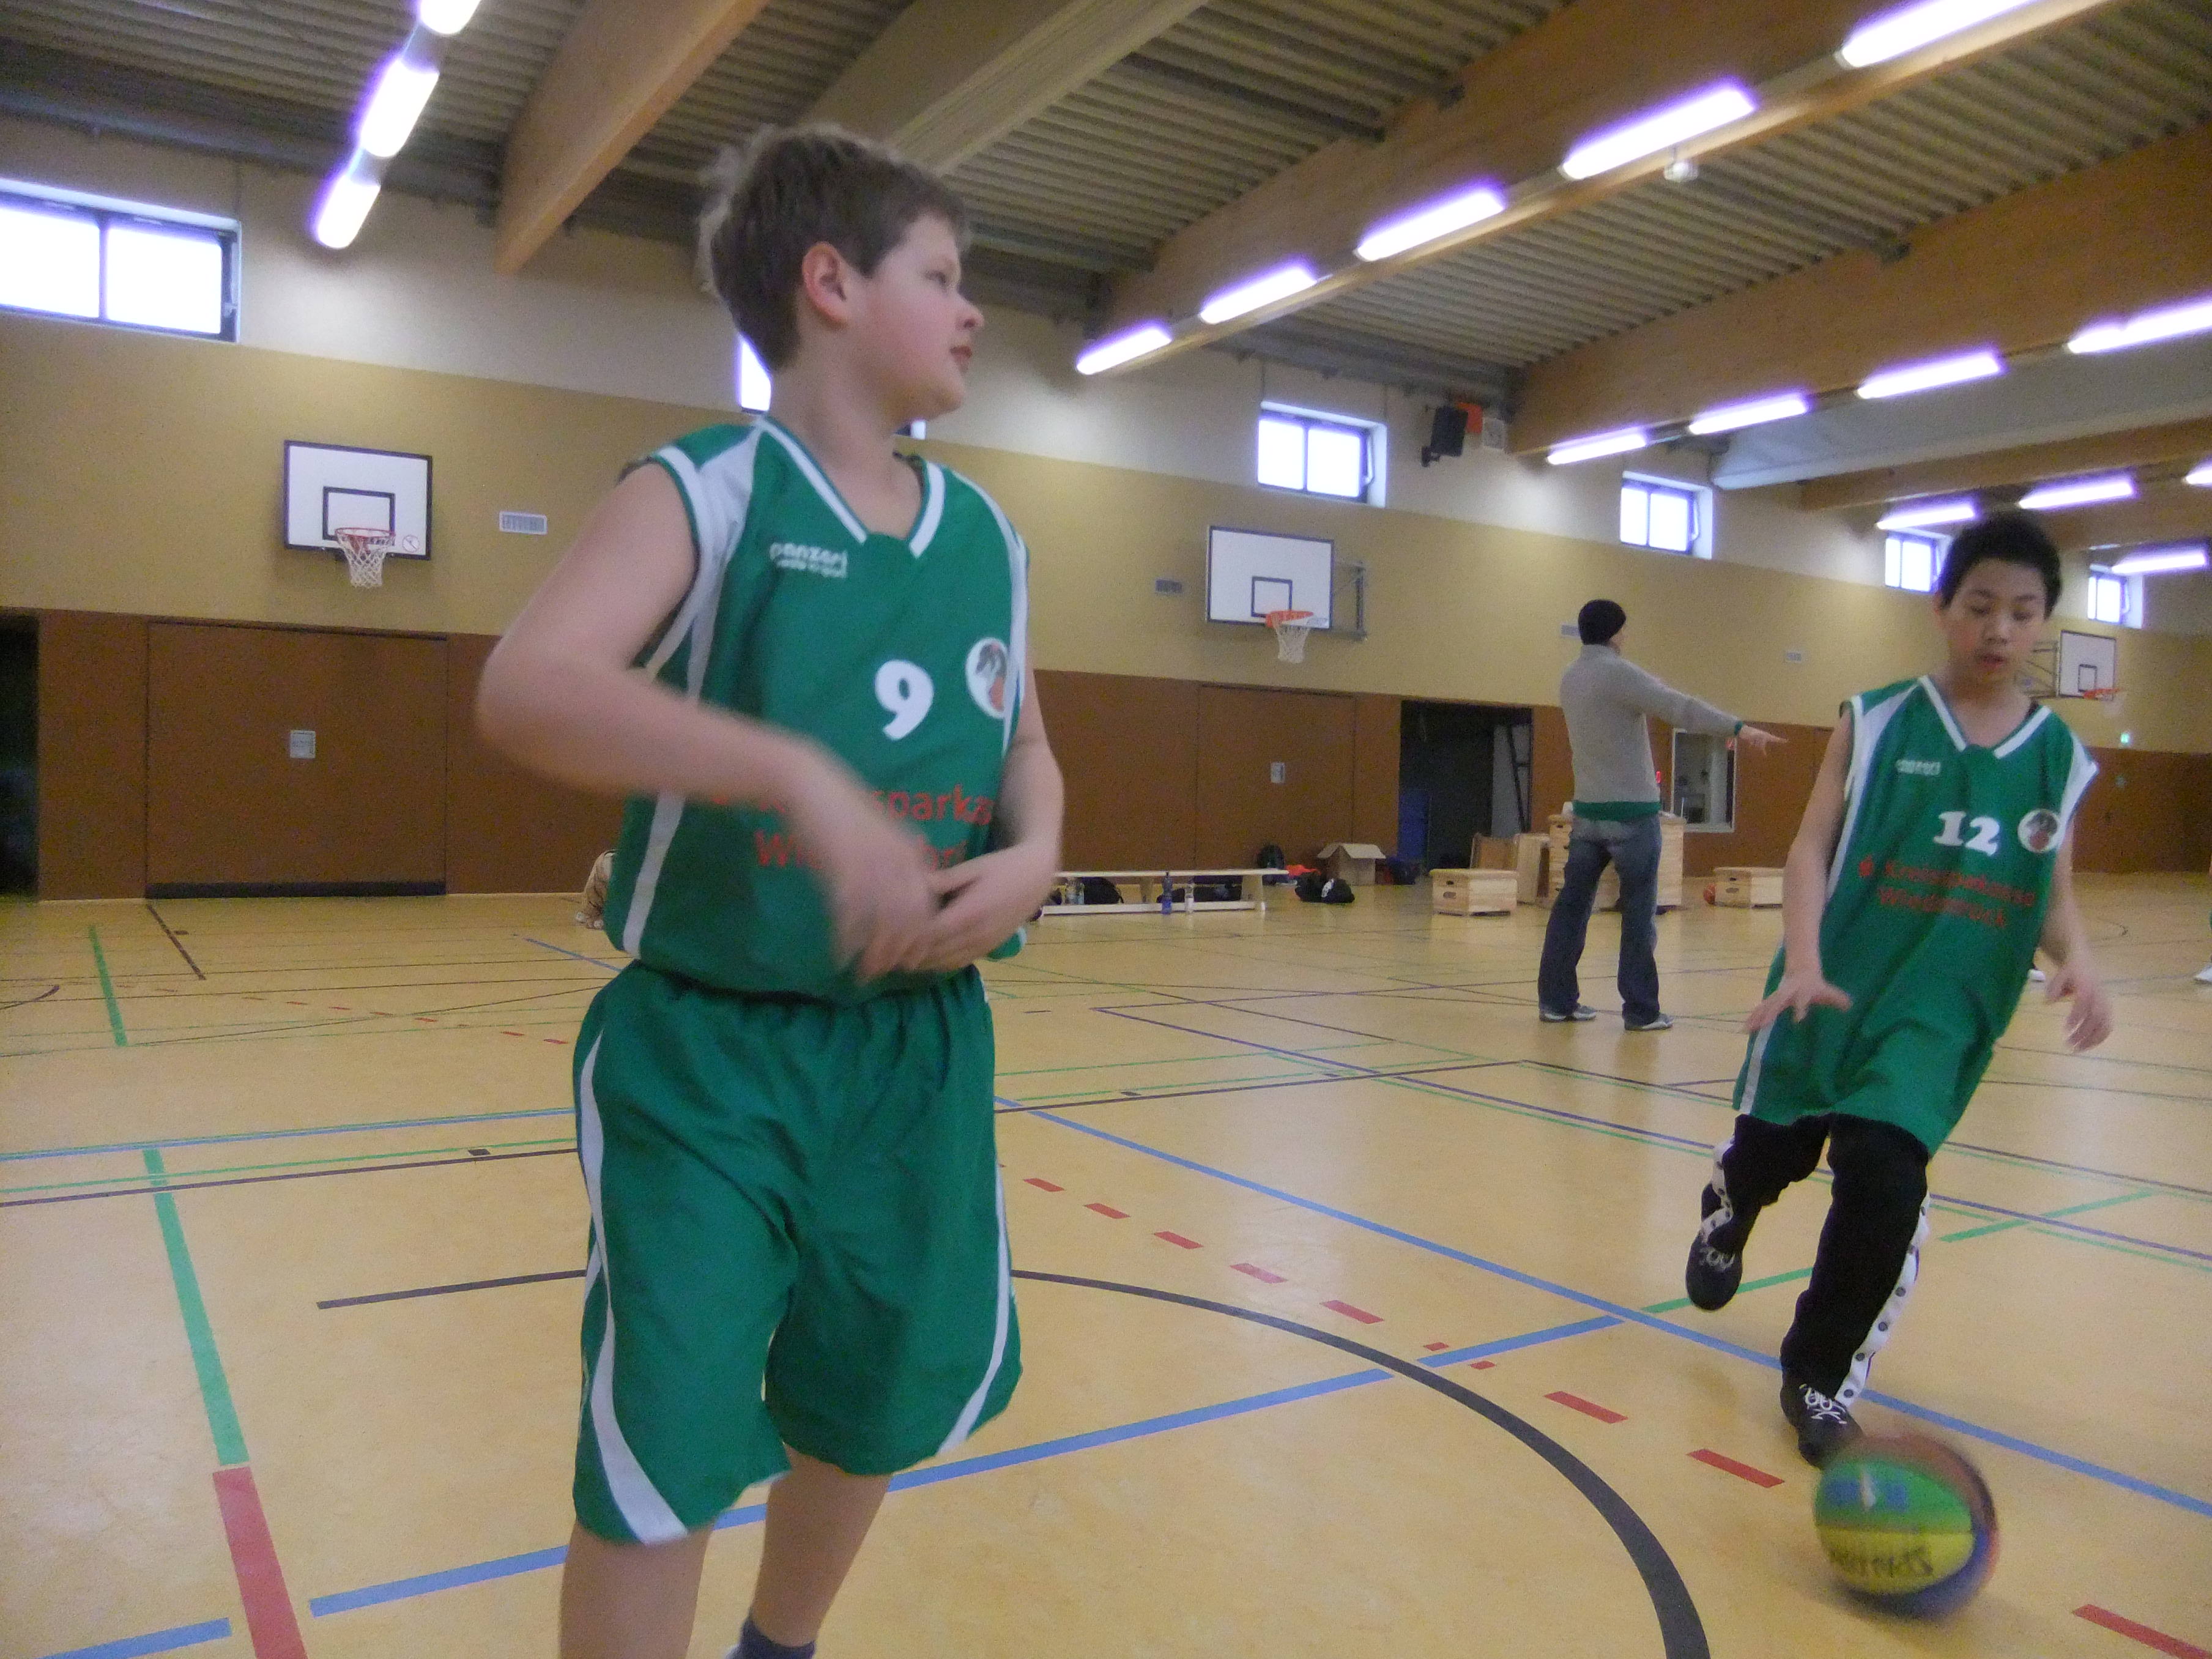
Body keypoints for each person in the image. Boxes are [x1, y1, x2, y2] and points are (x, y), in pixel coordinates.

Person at [477, 125, 1063, 1659]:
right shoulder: (709, 488)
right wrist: (792, 773)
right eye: (940, 275)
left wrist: (1036, 852)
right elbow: (528, 687)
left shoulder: (989, 537)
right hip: (709, 1059)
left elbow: (1024, 745)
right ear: (829, 285)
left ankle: (775, 1647)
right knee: (660, 1449)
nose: (972, 311)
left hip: (914, 1054)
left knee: (868, 1404)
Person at [1681, 511, 2111, 1466]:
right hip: (1828, 986)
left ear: (2045, 624)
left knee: (1885, 1179)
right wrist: (1802, 959)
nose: (2000, 629)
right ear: (1943, 607)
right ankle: (1730, 1205)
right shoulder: (1874, 719)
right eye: (1981, 606)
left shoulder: (2056, 758)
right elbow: (1809, 849)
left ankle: (1819, 1376)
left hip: (1938, 1020)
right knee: (1774, 1151)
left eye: (2023, 612)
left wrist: (2077, 956)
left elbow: (2052, 896)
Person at [1538, 599, 1780, 1028]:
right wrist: (1740, 729)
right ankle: (1641, 1010)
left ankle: (1557, 1002)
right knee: (1638, 915)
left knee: (1570, 909)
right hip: (1633, 815)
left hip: (1587, 814)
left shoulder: (1570, 677)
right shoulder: (1621, 673)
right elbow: (1680, 707)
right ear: (1615, 633)